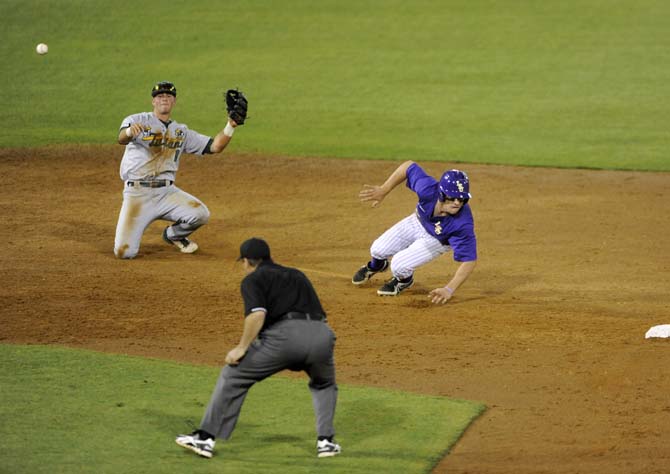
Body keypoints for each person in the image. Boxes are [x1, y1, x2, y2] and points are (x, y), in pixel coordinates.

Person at [176, 237, 341, 459]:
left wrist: (242, 347)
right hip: (322, 334)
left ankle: (205, 438)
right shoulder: (297, 274)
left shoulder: (253, 279)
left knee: (234, 376)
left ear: (246, 261)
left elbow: (257, 314)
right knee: (324, 385)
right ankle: (326, 442)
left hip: (285, 339)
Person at [113, 81, 244, 259]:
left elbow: (215, 146)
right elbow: (121, 138)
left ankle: (173, 235)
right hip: (137, 194)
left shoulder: (181, 131)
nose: (164, 99)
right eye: (160, 96)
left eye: (168, 96)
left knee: (200, 214)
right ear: (153, 101)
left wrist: (231, 125)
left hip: (166, 193)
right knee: (124, 253)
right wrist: (129, 133)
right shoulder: (137, 120)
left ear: (174, 101)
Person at [352, 161, 477, 304]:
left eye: (461, 198)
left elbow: (469, 260)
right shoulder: (428, 189)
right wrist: (384, 189)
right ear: (441, 193)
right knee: (377, 249)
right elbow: (408, 166)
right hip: (417, 221)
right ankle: (377, 265)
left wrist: (449, 290)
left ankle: (403, 280)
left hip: (437, 240)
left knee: (399, 265)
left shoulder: (462, 223)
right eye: (452, 197)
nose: (457, 203)